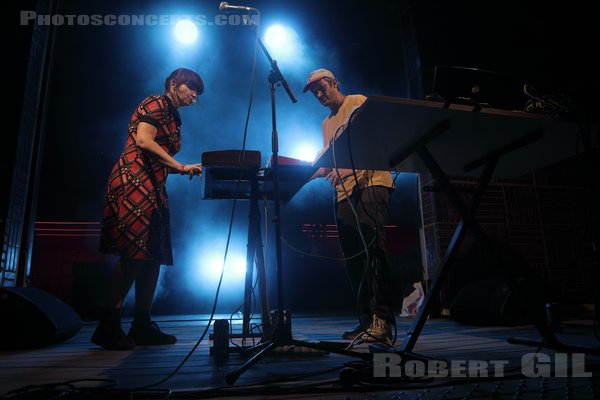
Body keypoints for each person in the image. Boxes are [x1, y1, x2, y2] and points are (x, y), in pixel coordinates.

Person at [93, 68, 204, 350]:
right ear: (173, 84)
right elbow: (143, 140)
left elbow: (159, 155)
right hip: (134, 181)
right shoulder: (156, 102)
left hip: (153, 185)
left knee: (152, 255)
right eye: (191, 88)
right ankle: (107, 324)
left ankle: (141, 324)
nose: (194, 95)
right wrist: (180, 166)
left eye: (197, 92)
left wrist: (181, 169)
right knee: (134, 253)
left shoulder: (173, 117)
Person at [304, 69, 395, 344]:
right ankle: (366, 321)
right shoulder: (326, 124)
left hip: (370, 183)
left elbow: (376, 140)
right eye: (315, 92)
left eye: (322, 88)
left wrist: (348, 167)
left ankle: (383, 322)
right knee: (354, 260)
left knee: (374, 253)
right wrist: (299, 174)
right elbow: (328, 162)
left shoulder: (356, 101)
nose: (319, 95)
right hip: (344, 196)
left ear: (334, 83)